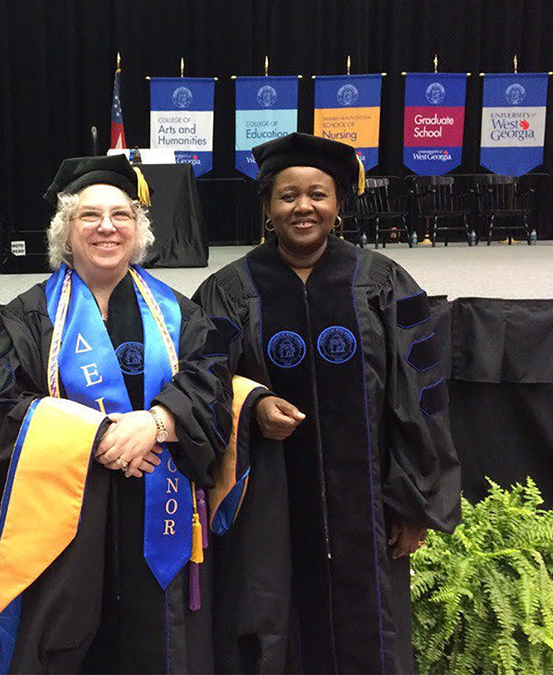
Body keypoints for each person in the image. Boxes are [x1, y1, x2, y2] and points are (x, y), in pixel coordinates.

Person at [193, 132, 461, 673]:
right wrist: (253, 405)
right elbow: (203, 383)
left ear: (338, 204)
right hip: (266, 508)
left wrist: (413, 505)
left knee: (371, 633)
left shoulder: (382, 282)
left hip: (368, 510)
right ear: (268, 207)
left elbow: (420, 397)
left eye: (318, 194)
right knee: (273, 623)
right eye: (288, 196)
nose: (303, 207)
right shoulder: (229, 289)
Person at [0, 154, 233, 674]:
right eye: (88, 215)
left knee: (158, 649)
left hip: (160, 515)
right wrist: (97, 437)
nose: (107, 227)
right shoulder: (24, 316)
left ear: (139, 231)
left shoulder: (180, 313)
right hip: (66, 520)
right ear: (65, 233)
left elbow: (214, 385)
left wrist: (157, 423)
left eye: (123, 215)